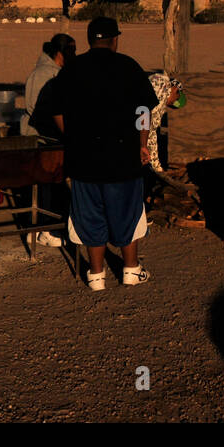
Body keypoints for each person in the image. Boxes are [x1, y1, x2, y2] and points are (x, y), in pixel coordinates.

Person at [47, 17, 158, 291]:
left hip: (84, 161)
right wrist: (142, 144)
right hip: (124, 160)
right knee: (127, 213)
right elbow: (143, 112)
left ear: (89, 40)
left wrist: (72, 138)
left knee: (90, 214)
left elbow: (57, 112)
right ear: (114, 40)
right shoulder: (129, 66)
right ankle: (131, 270)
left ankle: (96, 276)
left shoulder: (71, 69)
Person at [23, 33, 75, 247]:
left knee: (50, 184)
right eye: (72, 50)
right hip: (41, 137)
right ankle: (42, 229)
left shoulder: (54, 73)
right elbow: (37, 109)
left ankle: (41, 229)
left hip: (49, 136)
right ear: (60, 53)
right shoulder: (44, 74)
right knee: (46, 185)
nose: (75, 54)